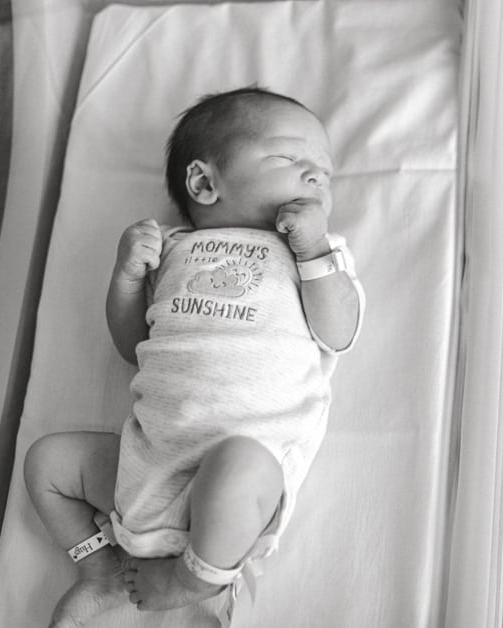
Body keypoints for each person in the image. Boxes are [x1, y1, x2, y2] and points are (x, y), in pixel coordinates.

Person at [24, 86, 364, 628]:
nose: (315, 176)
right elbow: (132, 345)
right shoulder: (171, 248)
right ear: (205, 182)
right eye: (288, 158)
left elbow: (339, 333)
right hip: (148, 463)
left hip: (239, 478)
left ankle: (193, 578)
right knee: (47, 462)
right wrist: (128, 277)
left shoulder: (318, 257)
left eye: (324, 171)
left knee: (241, 462)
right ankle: (100, 571)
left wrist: (316, 252)